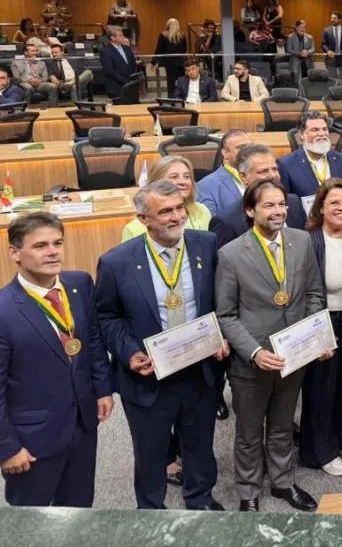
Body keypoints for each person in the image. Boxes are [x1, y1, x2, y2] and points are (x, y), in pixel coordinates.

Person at [95, 181, 227, 510]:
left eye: (180, 208)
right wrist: (128, 353)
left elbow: (222, 301)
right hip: (147, 376)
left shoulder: (206, 245)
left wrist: (221, 334)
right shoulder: (116, 262)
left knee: (199, 445)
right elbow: (106, 317)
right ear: (143, 219)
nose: (176, 216)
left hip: (200, 370)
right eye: (165, 211)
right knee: (150, 453)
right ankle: (151, 511)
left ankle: (199, 500)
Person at [216, 179, 325, 512]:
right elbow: (226, 314)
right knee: (249, 432)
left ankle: (283, 482)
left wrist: (314, 336)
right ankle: (248, 491)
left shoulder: (302, 241)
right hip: (253, 360)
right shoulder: (231, 254)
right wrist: (254, 352)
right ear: (250, 210)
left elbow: (314, 294)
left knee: (281, 425)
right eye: (269, 205)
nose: (279, 211)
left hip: (294, 355)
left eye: (282, 204)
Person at [0, 213, 113, 507]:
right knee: (31, 522)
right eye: (40, 246)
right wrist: (6, 447)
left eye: (57, 243)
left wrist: (102, 389)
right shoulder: (4, 310)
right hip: (32, 440)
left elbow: (93, 341)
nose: (52, 252)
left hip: (82, 424)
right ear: (15, 253)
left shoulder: (79, 284)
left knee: (78, 509)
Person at [300, 179, 342, 477]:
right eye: (334, 203)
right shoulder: (310, 239)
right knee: (322, 389)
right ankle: (321, 450)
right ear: (321, 207)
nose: (341, 208)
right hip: (325, 321)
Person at [209, 144, 308, 248]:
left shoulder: (294, 203)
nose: (273, 175)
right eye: (263, 171)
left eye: (274, 169)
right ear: (243, 176)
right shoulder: (227, 222)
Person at [122, 156, 211, 241]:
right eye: (174, 177)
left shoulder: (201, 210)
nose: (183, 181)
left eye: (187, 176)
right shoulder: (134, 229)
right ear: (157, 182)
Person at [277, 111, 342, 198]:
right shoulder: (286, 165)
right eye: (315, 130)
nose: (321, 134)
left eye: (324, 129)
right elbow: (285, 201)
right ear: (301, 134)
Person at [197, 130, 253, 216]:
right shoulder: (205, 186)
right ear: (225, 153)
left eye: (251, 147)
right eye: (241, 147)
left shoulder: (263, 178)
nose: (248, 151)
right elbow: (212, 225)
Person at [11, 43, 57, 107]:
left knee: (53, 86)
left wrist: (40, 80)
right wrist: (28, 81)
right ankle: (24, 109)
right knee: (28, 88)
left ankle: (53, 108)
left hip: (39, 83)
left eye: (36, 51)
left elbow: (45, 77)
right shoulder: (16, 62)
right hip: (24, 83)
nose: (35, 53)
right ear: (26, 52)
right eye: (33, 51)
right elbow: (16, 78)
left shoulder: (41, 63)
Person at [153, 19, 188, 97]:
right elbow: (185, 49)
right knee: (181, 82)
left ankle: (172, 100)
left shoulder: (163, 35)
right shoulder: (182, 35)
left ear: (167, 25)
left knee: (171, 83)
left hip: (169, 63)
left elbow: (159, 49)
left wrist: (153, 62)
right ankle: (182, 98)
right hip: (181, 61)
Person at [321, 11, 342, 84]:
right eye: (331, 18)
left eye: (335, 18)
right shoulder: (326, 30)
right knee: (331, 82)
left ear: (340, 20)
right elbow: (323, 44)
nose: (332, 20)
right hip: (330, 60)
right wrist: (328, 51)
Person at [286, 20, 316, 85]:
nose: (302, 29)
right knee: (296, 83)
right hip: (295, 63)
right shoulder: (290, 37)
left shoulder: (309, 37)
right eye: (300, 27)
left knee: (308, 83)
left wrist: (307, 52)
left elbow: (313, 48)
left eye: (304, 27)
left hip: (307, 63)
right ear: (296, 27)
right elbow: (288, 49)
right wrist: (300, 53)